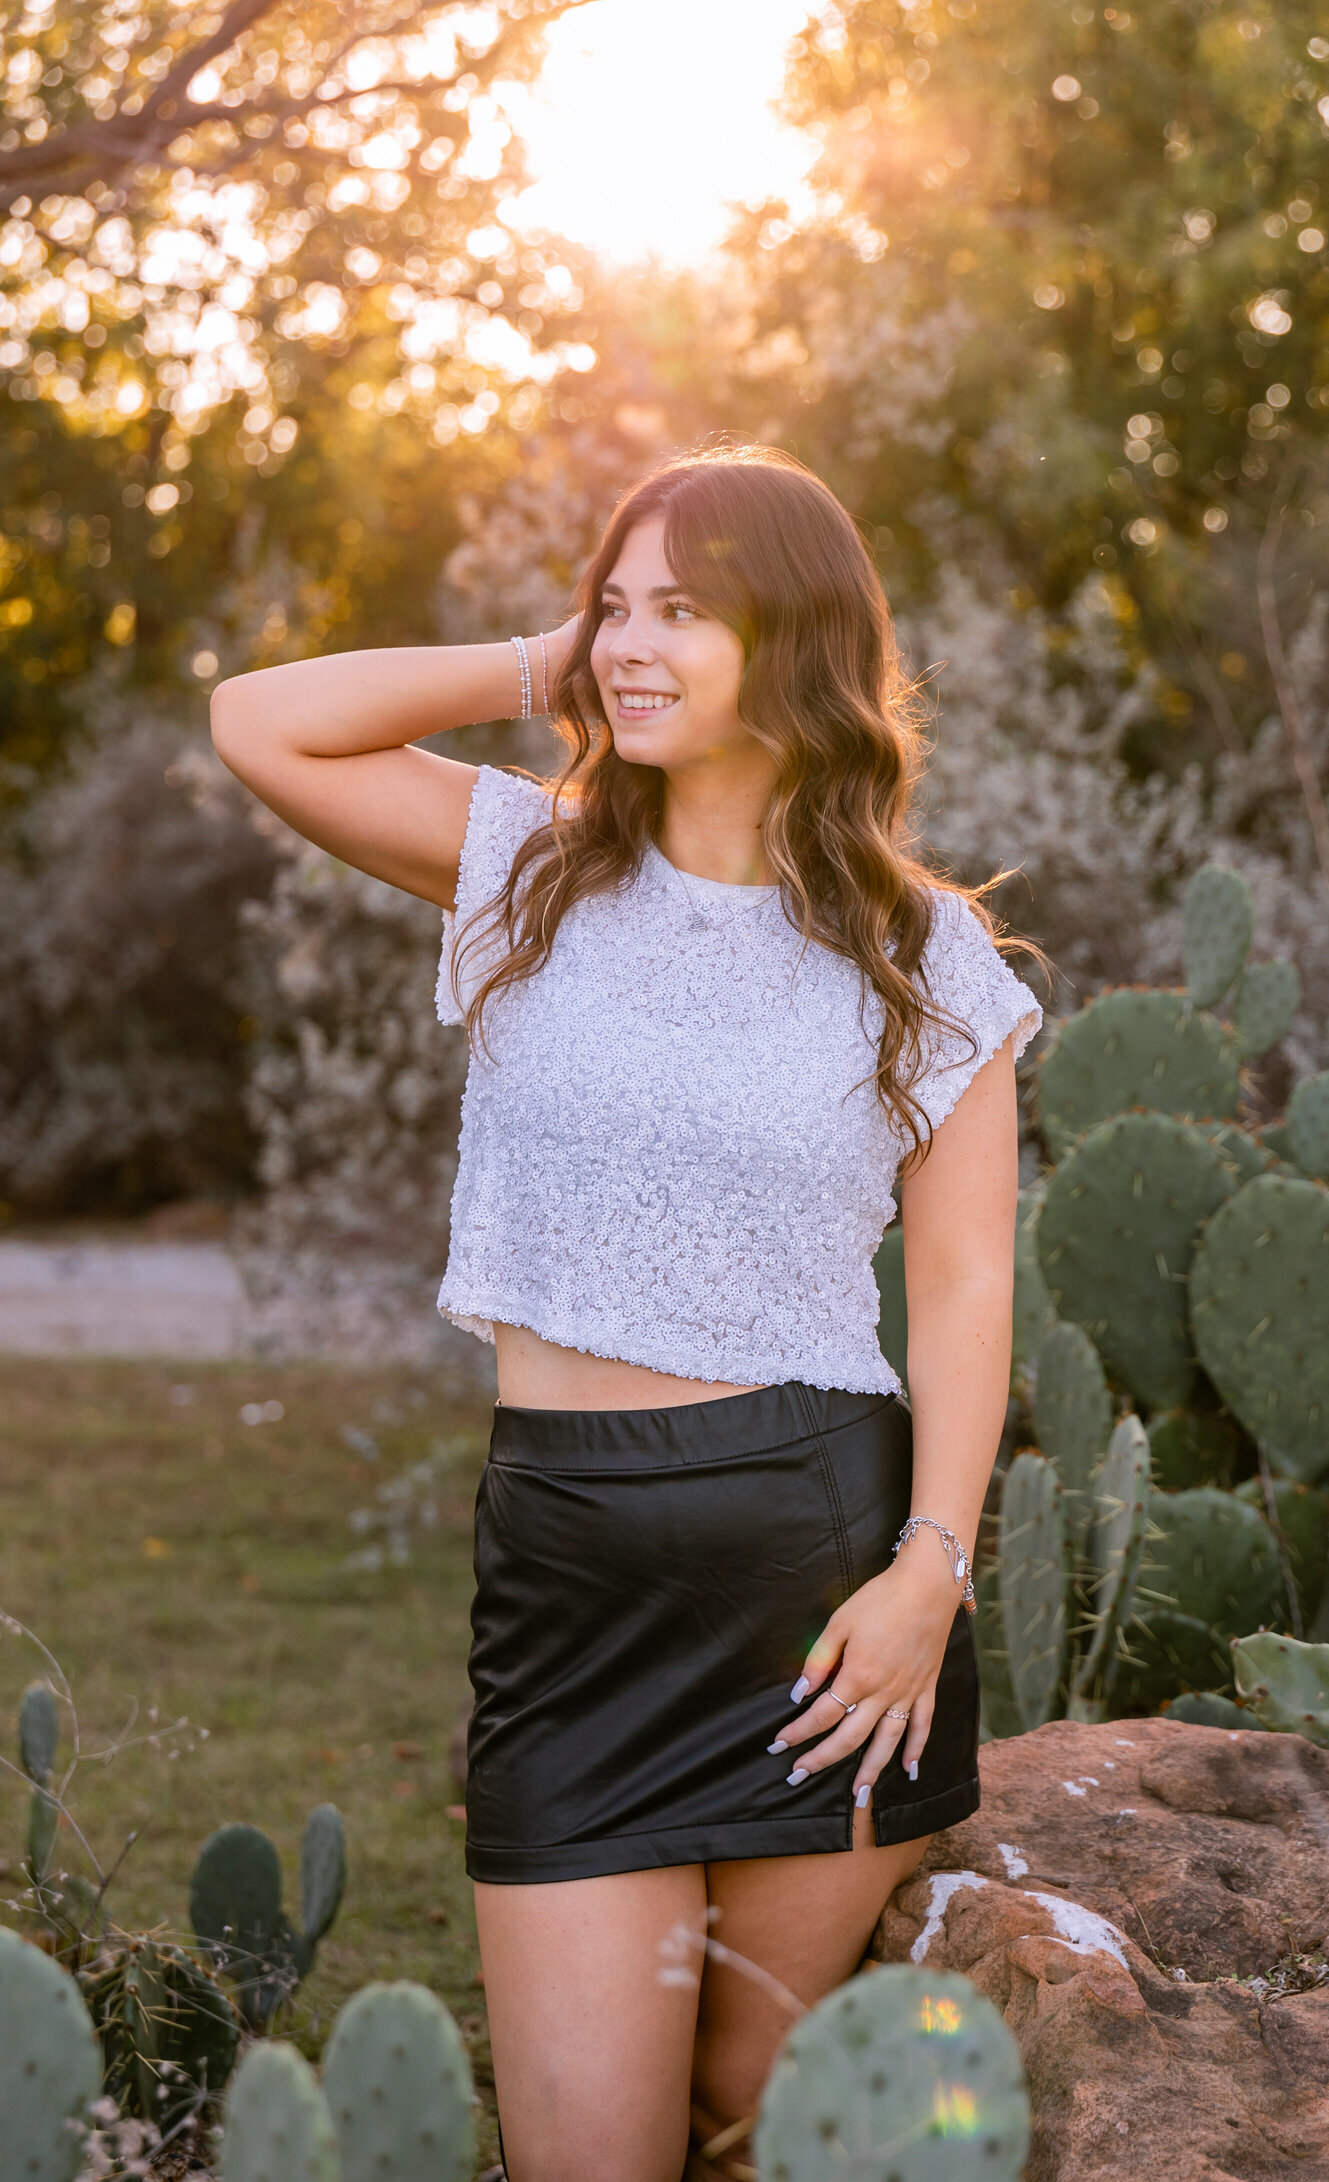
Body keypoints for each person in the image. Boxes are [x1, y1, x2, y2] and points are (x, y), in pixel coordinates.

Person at [211, 442, 1040, 2182]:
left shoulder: (925, 950)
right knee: (596, 2151)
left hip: (821, 1598)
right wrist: (547, 662)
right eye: (620, 601)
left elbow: (964, 1280)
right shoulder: (529, 861)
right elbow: (259, 722)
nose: (637, 641)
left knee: (747, 2126)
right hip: (569, 1575)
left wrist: (928, 1573)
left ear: (797, 641)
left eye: (688, 610)